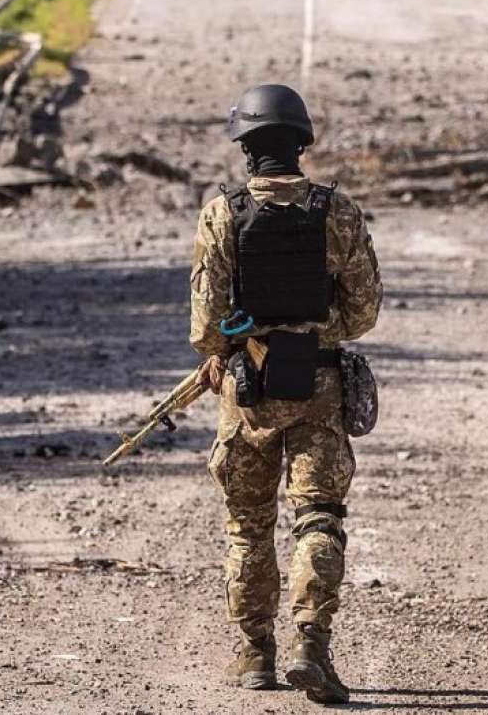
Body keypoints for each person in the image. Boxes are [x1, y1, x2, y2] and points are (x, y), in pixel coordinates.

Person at [189, 84, 382, 705]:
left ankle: (254, 656)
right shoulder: (339, 211)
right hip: (320, 390)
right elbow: (364, 312)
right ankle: (311, 646)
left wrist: (232, 346)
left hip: (247, 395)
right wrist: (319, 331)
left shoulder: (222, 214)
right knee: (318, 519)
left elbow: (206, 327)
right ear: (301, 143)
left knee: (248, 527)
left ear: (245, 148)